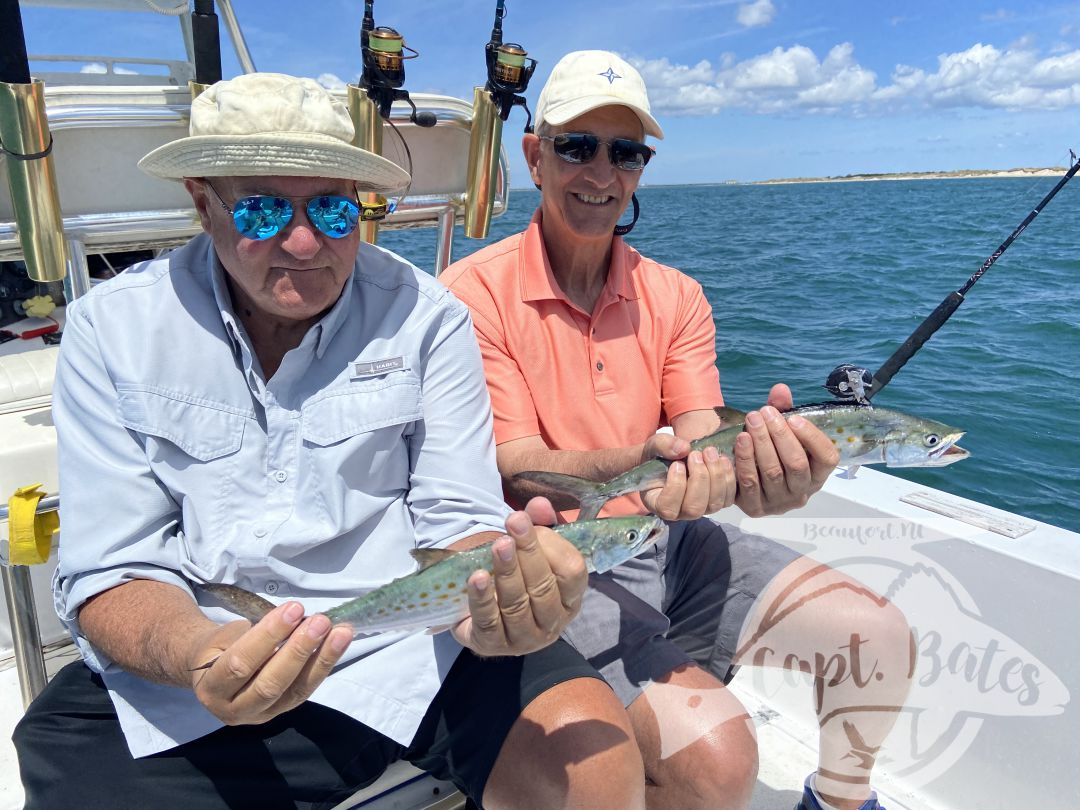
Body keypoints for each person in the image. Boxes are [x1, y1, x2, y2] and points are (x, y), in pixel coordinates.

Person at [13, 73, 648, 810]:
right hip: (203, 659)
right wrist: (200, 654)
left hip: (415, 641)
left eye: (333, 208)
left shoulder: (427, 317)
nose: (305, 242)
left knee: (590, 765)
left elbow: (456, 514)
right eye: (259, 209)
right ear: (201, 204)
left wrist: (505, 596)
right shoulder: (111, 331)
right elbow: (112, 566)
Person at [442, 51, 915, 810]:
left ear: (640, 169)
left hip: (670, 537)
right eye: (577, 146)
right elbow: (515, 463)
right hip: (563, 556)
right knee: (720, 761)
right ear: (534, 156)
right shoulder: (469, 295)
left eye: (625, 153)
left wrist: (757, 473)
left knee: (878, 637)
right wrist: (642, 460)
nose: (601, 171)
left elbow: (700, 428)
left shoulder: (677, 295)